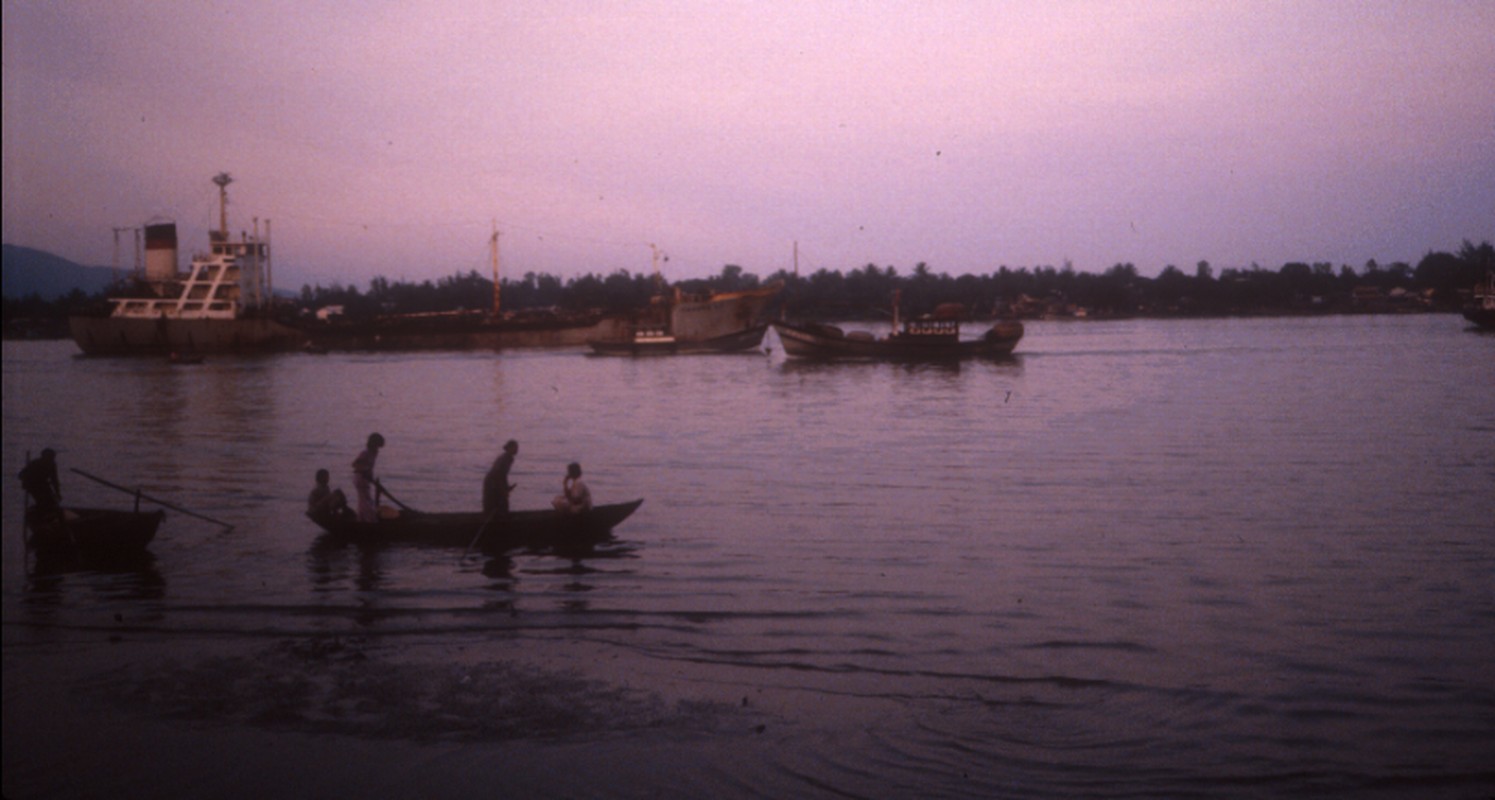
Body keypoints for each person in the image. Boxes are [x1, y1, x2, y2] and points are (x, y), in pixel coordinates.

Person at [352, 433, 384, 522]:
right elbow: (355, 465)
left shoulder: (374, 453)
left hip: (366, 479)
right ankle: (368, 519)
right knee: (365, 500)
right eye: (377, 446)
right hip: (360, 478)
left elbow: (370, 466)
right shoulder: (365, 453)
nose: (377, 449)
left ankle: (362, 518)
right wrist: (365, 470)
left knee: (364, 500)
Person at [483, 440, 518, 514]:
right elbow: (499, 474)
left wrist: (506, 487)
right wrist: (503, 490)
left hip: (493, 482)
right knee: (500, 505)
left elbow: (503, 475)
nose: (517, 449)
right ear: (509, 448)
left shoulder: (506, 457)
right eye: (515, 447)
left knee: (498, 505)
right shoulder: (507, 458)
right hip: (492, 483)